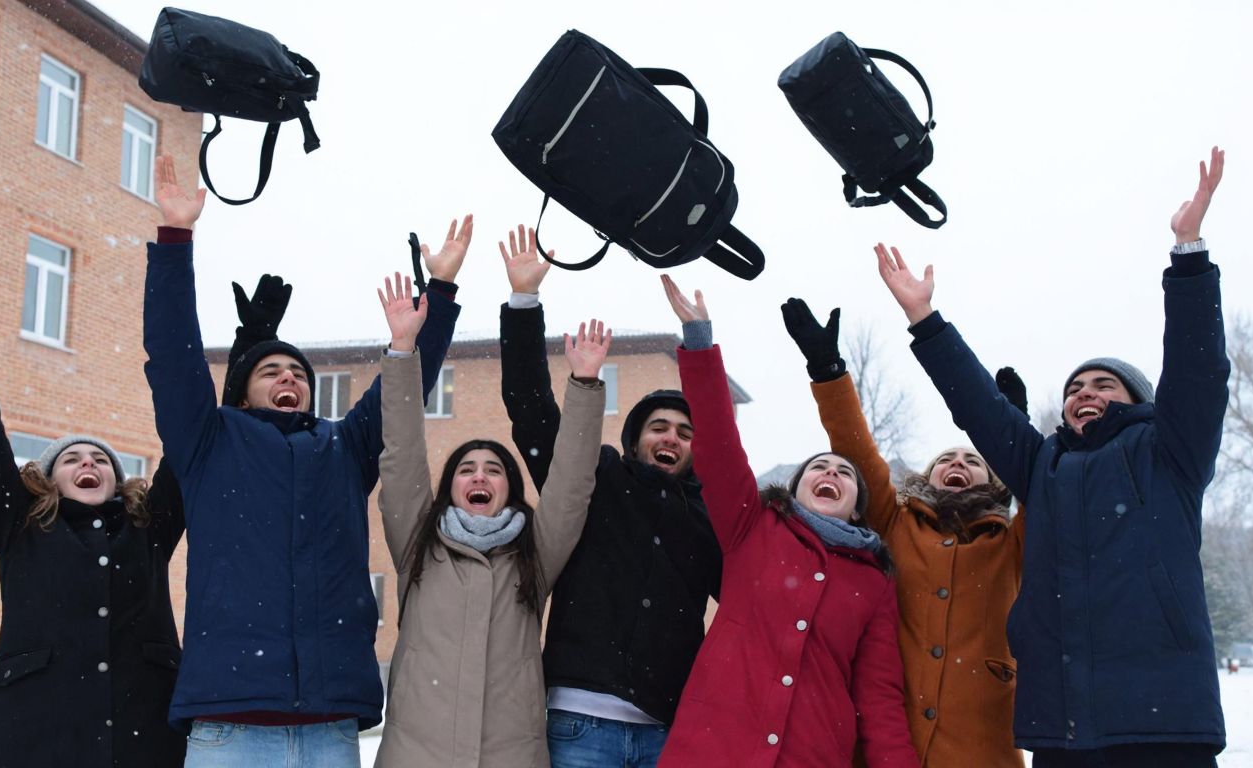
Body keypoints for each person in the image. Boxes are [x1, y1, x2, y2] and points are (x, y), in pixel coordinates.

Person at [876, 147, 1228, 767]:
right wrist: (924, 319)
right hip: (1061, 726)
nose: (1083, 394)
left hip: (1163, 718)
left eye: (1101, 385)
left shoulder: (1168, 451)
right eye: (1072, 389)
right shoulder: (1045, 467)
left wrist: (1189, 254)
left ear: (1136, 401)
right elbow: (980, 407)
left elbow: (1199, 371)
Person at [143, 156, 465, 766]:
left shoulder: (342, 447)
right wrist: (176, 238)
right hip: (229, 723)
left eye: (299, 373)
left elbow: (403, 391)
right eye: (272, 371)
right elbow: (171, 353)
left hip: (328, 727)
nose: (289, 378)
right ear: (240, 392)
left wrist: (440, 296)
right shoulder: (209, 440)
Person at [0, 267, 186, 767]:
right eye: (72, 459)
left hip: (144, 738)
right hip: (37, 740)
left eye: (101, 460)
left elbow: (192, 439)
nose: (89, 463)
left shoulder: (149, 528)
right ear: (47, 479)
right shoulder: (19, 526)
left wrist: (246, 356)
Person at [656, 275, 918, 768]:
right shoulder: (752, 527)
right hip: (713, 748)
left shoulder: (874, 580)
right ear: (794, 489)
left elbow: (879, 698)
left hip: (812, 755)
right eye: (818, 467)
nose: (830, 472)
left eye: (843, 473)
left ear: (857, 506)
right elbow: (717, 444)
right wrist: (699, 343)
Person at [496, 227, 722, 767]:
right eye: (659, 427)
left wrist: (700, 341)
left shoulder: (707, 516)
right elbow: (530, 409)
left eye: (685, 433)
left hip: (667, 726)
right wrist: (524, 302)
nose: (671, 437)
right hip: (580, 722)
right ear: (635, 439)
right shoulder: (596, 478)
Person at [374, 272, 608, 766]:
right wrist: (401, 350)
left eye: (493, 469)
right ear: (450, 487)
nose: (479, 476)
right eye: (466, 468)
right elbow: (402, 454)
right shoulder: (418, 541)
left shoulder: (533, 552)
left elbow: (569, 488)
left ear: (509, 489)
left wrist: (584, 385)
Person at [781, 299, 1027, 767]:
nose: (958, 463)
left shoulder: (1011, 542)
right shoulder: (896, 521)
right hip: (891, 744)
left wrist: (1011, 435)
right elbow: (856, 448)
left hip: (981, 747)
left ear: (996, 480)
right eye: (946, 461)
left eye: (973, 460)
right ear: (927, 477)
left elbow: (1045, 493)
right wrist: (828, 370)